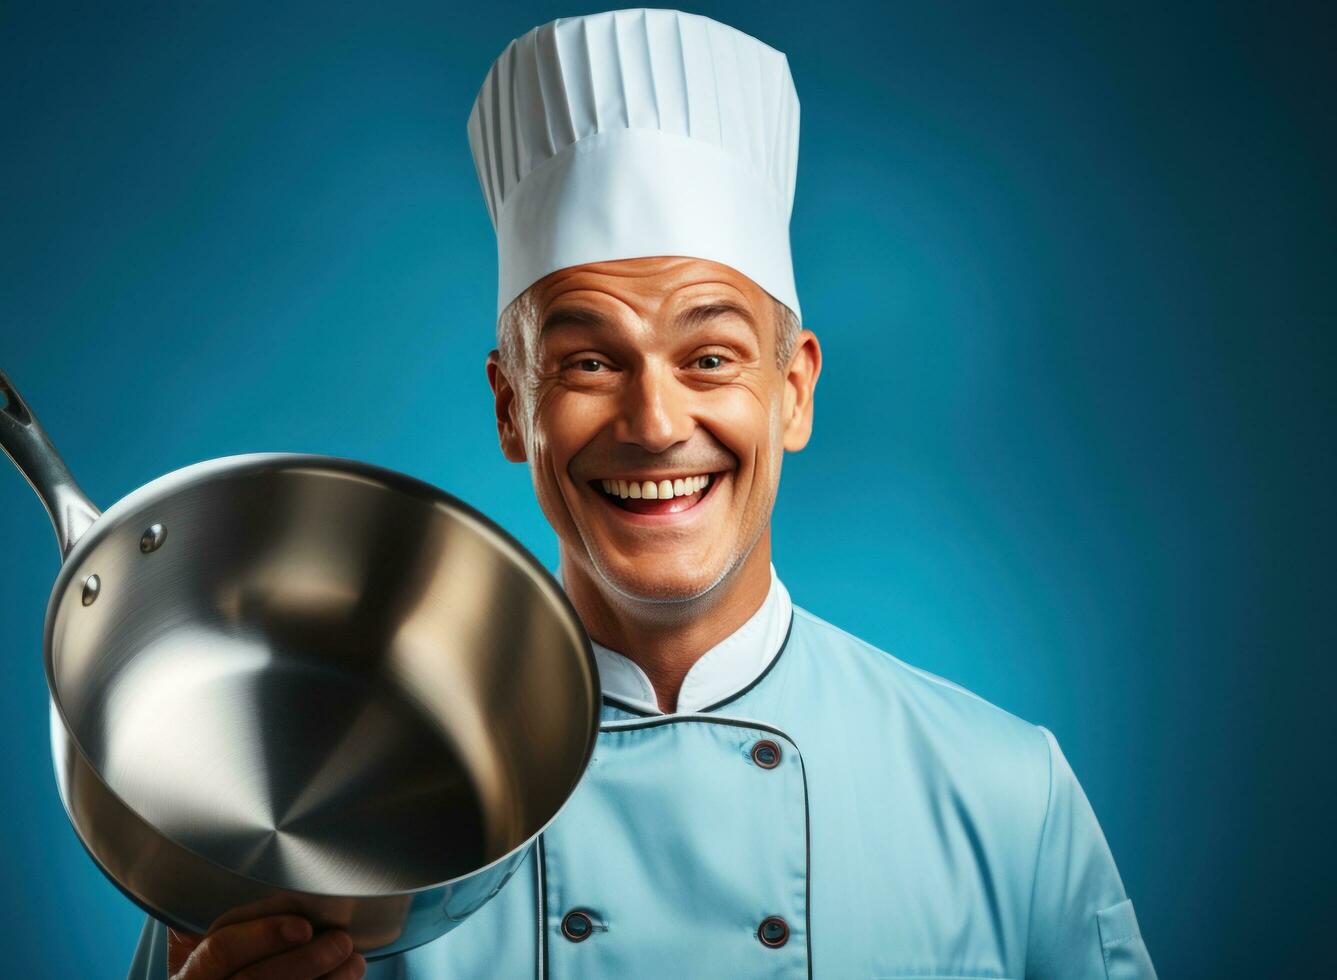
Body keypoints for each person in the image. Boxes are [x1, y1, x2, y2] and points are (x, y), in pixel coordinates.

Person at [128, 9, 1155, 978]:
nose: (656, 421)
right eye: (586, 362)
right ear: (510, 405)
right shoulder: (309, 820)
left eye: (710, 355)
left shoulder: (1011, 797)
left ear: (791, 390)